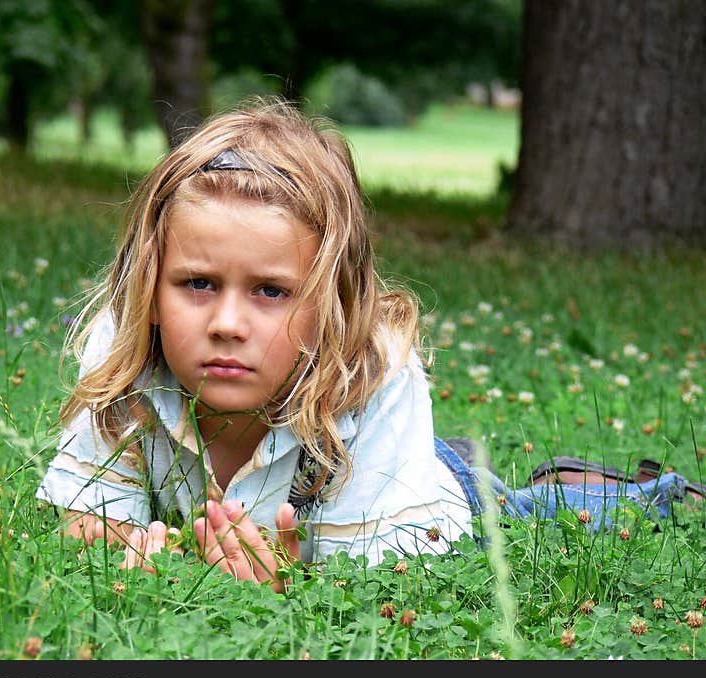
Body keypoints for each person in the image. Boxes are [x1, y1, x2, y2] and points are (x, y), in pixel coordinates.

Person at [36, 97, 702, 593]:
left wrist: (289, 584)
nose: (227, 323)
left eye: (271, 291)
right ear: (150, 287)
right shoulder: (121, 352)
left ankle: (633, 489)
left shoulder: (373, 370)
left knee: (523, 514)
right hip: (366, 480)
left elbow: (395, 580)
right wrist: (147, 558)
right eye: (198, 283)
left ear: (332, 305)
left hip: (415, 502)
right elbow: (88, 530)